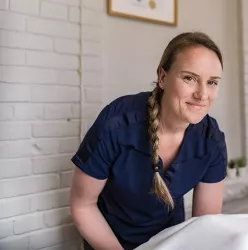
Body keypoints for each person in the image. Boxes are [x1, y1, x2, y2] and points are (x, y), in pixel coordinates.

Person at [69, 32, 228, 250]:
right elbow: (82, 206)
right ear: (163, 77)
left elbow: (205, 225)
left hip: (169, 244)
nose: (202, 94)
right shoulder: (116, 124)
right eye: (189, 78)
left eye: (212, 82)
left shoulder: (211, 141)